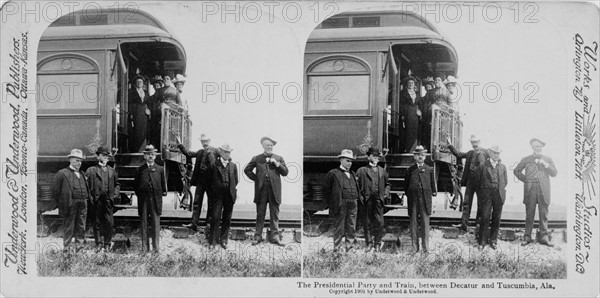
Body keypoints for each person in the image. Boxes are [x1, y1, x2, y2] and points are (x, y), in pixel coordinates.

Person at [244, 137, 289, 246]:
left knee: (275, 213)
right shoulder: (257, 158)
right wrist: (257, 179)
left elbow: (285, 172)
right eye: (267, 145)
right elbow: (247, 170)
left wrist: (277, 164)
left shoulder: (279, 158)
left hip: (275, 190)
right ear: (263, 146)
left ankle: (275, 236)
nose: (269, 147)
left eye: (271, 145)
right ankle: (258, 236)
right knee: (260, 213)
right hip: (261, 190)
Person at [513, 138, 557, 247]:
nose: (538, 148)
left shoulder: (547, 159)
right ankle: (527, 237)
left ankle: (544, 237)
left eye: (540, 146)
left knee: (544, 214)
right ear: (532, 147)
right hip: (530, 190)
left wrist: (546, 165)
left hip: (543, 191)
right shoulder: (526, 159)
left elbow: (555, 173)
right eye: (536, 146)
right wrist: (526, 179)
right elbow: (516, 171)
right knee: (529, 214)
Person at [52, 149, 91, 252]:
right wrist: (63, 202)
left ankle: (80, 248)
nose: (80, 163)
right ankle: (67, 249)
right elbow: (55, 191)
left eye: (81, 161)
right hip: (70, 203)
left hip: (83, 202)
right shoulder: (62, 173)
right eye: (77, 160)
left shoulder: (82, 173)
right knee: (69, 226)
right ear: (71, 160)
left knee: (81, 225)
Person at [177, 134, 217, 235]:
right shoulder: (200, 152)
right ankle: (194, 224)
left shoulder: (215, 151)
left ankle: (208, 224)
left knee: (211, 203)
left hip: (211, 182)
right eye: (203, 141)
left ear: (210, 140)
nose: (204, 143)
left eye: (206, 141)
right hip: (201, 182)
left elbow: (224, 158)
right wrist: (180, 144)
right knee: (196, 203)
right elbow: (188, 154)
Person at [323, 149, 361, 253]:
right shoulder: (333, 173)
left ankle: (350, 247)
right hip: (341, 202)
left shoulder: (353, 173)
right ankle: (337, 248)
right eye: (347, 161)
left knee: (351, 225)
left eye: (351, 161)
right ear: (341, 160)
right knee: (339, 226)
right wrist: (332, 202)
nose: (350, 163)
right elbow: (326, 190)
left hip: (353, 202)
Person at [447, 135, 487, 232]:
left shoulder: (485, 152)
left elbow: (489, 161)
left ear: (480, 141)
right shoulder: (470, 153)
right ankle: (464, 225)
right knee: (466, 203)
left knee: (481, 204)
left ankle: (478, 225)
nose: (474, 144)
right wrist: (450, 145)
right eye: (473, 142)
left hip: (480, 183)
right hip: (470, 182)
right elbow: (458, 154)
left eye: (476, 142)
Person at [472, 145, 507, 250]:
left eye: (498, 153)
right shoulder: (483, 166)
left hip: (498, 195)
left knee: (496, 218)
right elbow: (476, 181)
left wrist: (498, 189)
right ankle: (482, 241)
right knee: (485, 217)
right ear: (490, 153)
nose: (496, 155)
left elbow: (505, 181)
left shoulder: (502, 167)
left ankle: (493, 240)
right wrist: (483, 192)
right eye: (495, 153)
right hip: (486, 196)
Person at [85, 146, 120, 251]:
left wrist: (115, 194)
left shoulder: (112, 171)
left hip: (108, 200)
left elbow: (117, 184)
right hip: (96, 200)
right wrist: (90, 197)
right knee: (96, 222)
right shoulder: (91, 170)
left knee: (110, 222)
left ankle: (107, 243)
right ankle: (98, 243)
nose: (105, 157)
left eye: (107, 156)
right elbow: (86, 186)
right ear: (98, 156)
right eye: (103, 155)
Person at [356, 147, 390, 252]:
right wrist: (360, 197)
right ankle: (369, 243)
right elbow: (357, 186)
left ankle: (378, 244)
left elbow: (387, 184)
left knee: (380, 222)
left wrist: (385, 194)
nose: (376, 158)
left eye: (377, 157)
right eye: (373, 156)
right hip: (366, 200)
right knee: (367, 222)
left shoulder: (382, 171)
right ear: (368, 156)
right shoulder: (362, 171)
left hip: (378, 200)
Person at [404, 145, 437, 253]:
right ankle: (414, 248)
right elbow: (406, 186)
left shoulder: (429, 169)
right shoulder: (410, 170)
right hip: (413, 200)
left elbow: (433, 185)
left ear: (425, 157)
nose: (420, 157)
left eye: (422, 155)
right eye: (418, 155)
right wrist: (411, 194)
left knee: (425, 223)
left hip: (425, 200)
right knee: (413, 223)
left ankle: (425, 248)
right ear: (414, 157)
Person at [134, 145, 166, 252]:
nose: (150, 156)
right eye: (148, 155)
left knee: (156, 224)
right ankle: (144, 249)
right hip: (143, 200)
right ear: (144, 156)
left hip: (155, 200)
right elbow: (136, 187)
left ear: (155, 156)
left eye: (152, 154)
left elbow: (163, 186)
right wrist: (142, 195)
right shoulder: (140, 169)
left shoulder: (160, 169)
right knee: (144, 223)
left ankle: (156, 249)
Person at [209, 144, 238, 249]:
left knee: (227, 218)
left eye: (228, 152)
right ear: (220, 152)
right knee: (215, 217)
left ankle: (224, 240)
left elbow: (236, 180)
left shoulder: (233, 166)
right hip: (217, 196)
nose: (227, 154)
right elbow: (209, 180)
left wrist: (231, 190)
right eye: (225, 152)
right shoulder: (214, 164)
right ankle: (213, 241)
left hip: (229, 195)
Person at [399, 76, 422, 153]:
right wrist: (403, 114)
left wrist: (420, 112)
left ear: (414, 84)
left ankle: (414, 148)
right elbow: (401, 104)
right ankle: (407, 149)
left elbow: (420, 104)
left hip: (415, 115)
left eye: (412, 83)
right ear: (407, 84)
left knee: (415, 131)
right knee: (407, 131)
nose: (410, 84)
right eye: (409, 83)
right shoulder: (403, 93)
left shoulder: (418, 94)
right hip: (407, 114)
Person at [128, 74, 150, 152]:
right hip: (135, 112)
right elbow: (129, 103)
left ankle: (143, 148)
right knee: (136, 130)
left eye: (140, 82)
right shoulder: (131, 92)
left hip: (144, 114)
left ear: (143, 83)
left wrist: (148, 110)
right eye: (137, 82)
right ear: (135, 83)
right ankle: (136, 149)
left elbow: (148, 102)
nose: (139, 83)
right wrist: (130, 113)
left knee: (144, 130)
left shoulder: (146, 92)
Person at [147, 75, 165, 147]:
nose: (156, 87)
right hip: (153, 119)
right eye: (155, 86)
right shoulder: (150, 98)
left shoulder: (163, 98)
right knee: (153, 134)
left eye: (158, 86)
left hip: (161, 119)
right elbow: (147, 106)